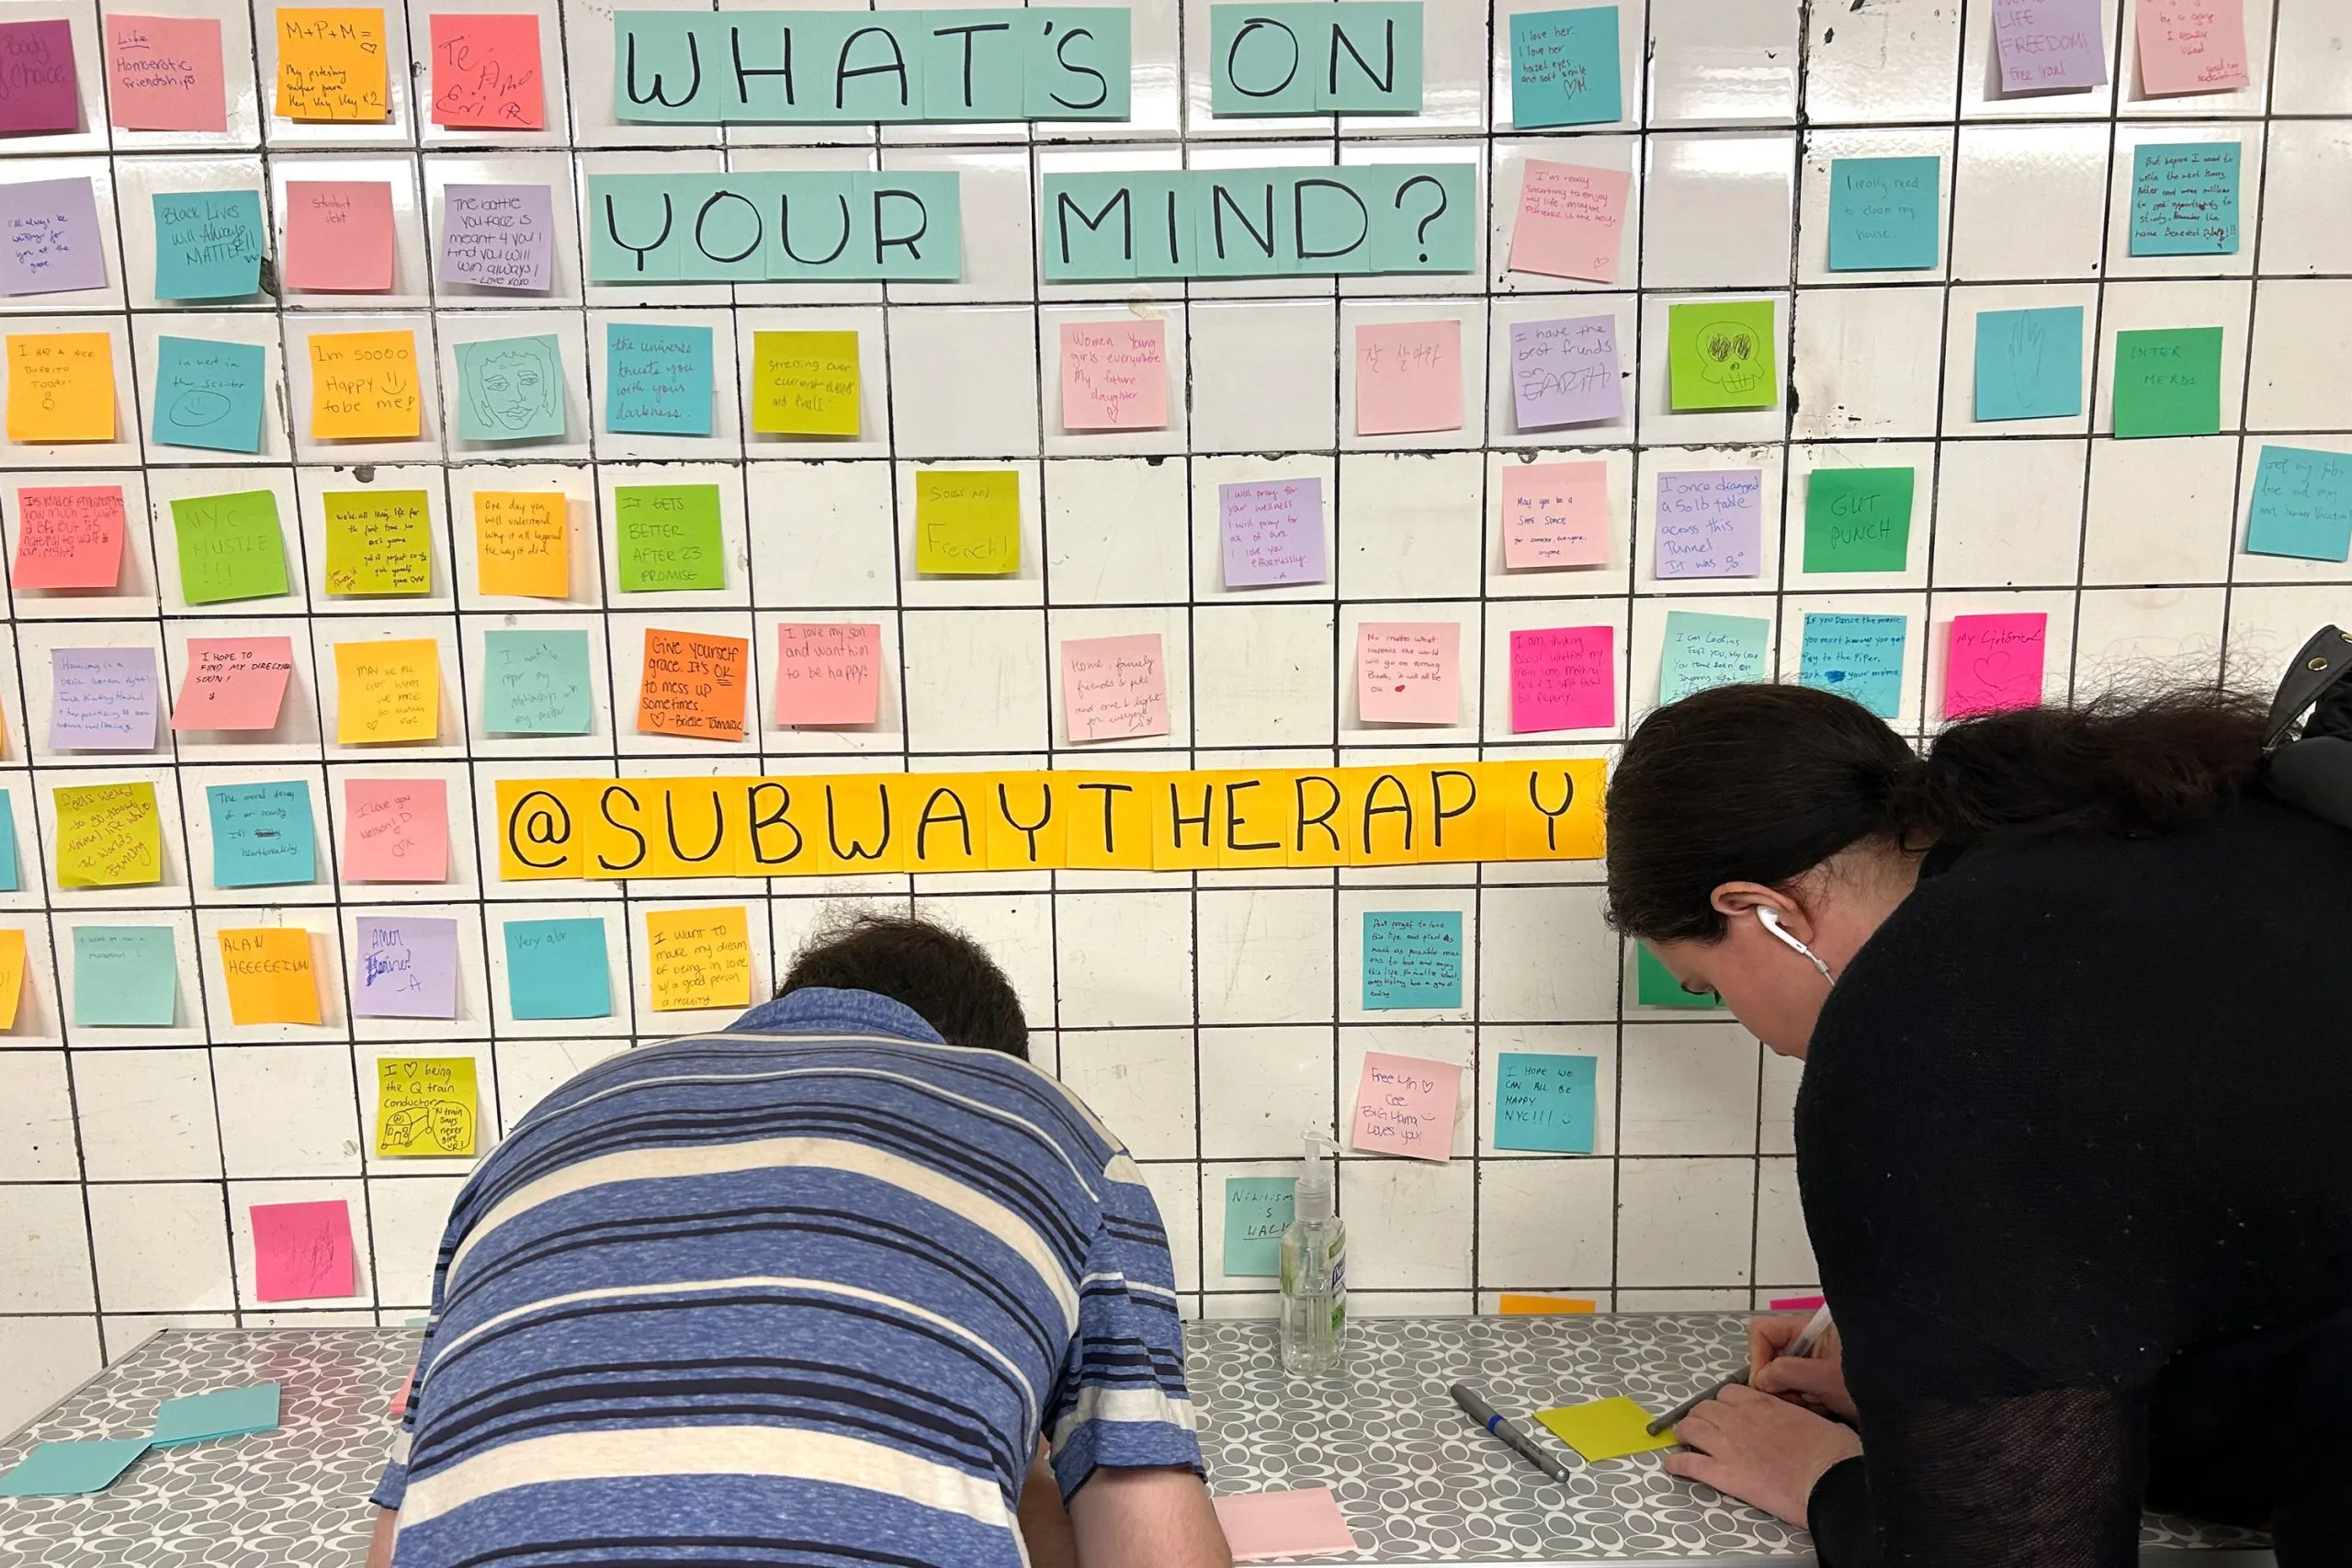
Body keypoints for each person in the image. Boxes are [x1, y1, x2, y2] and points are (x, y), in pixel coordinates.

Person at [1601, 682, 2352, 1567]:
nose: (1749, 1031)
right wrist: (1935, 1376)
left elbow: (2012, 1552)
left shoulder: (1928, 1021)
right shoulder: (2113, 844)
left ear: (1762, 910)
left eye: (1711, 987)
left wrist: (1826, 1479)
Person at [364, 914, 1230, 1568]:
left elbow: (401, 1531)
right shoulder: (1042, 1127)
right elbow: (1151, 1541)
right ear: (980, 1059)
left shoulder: (542, 1131)